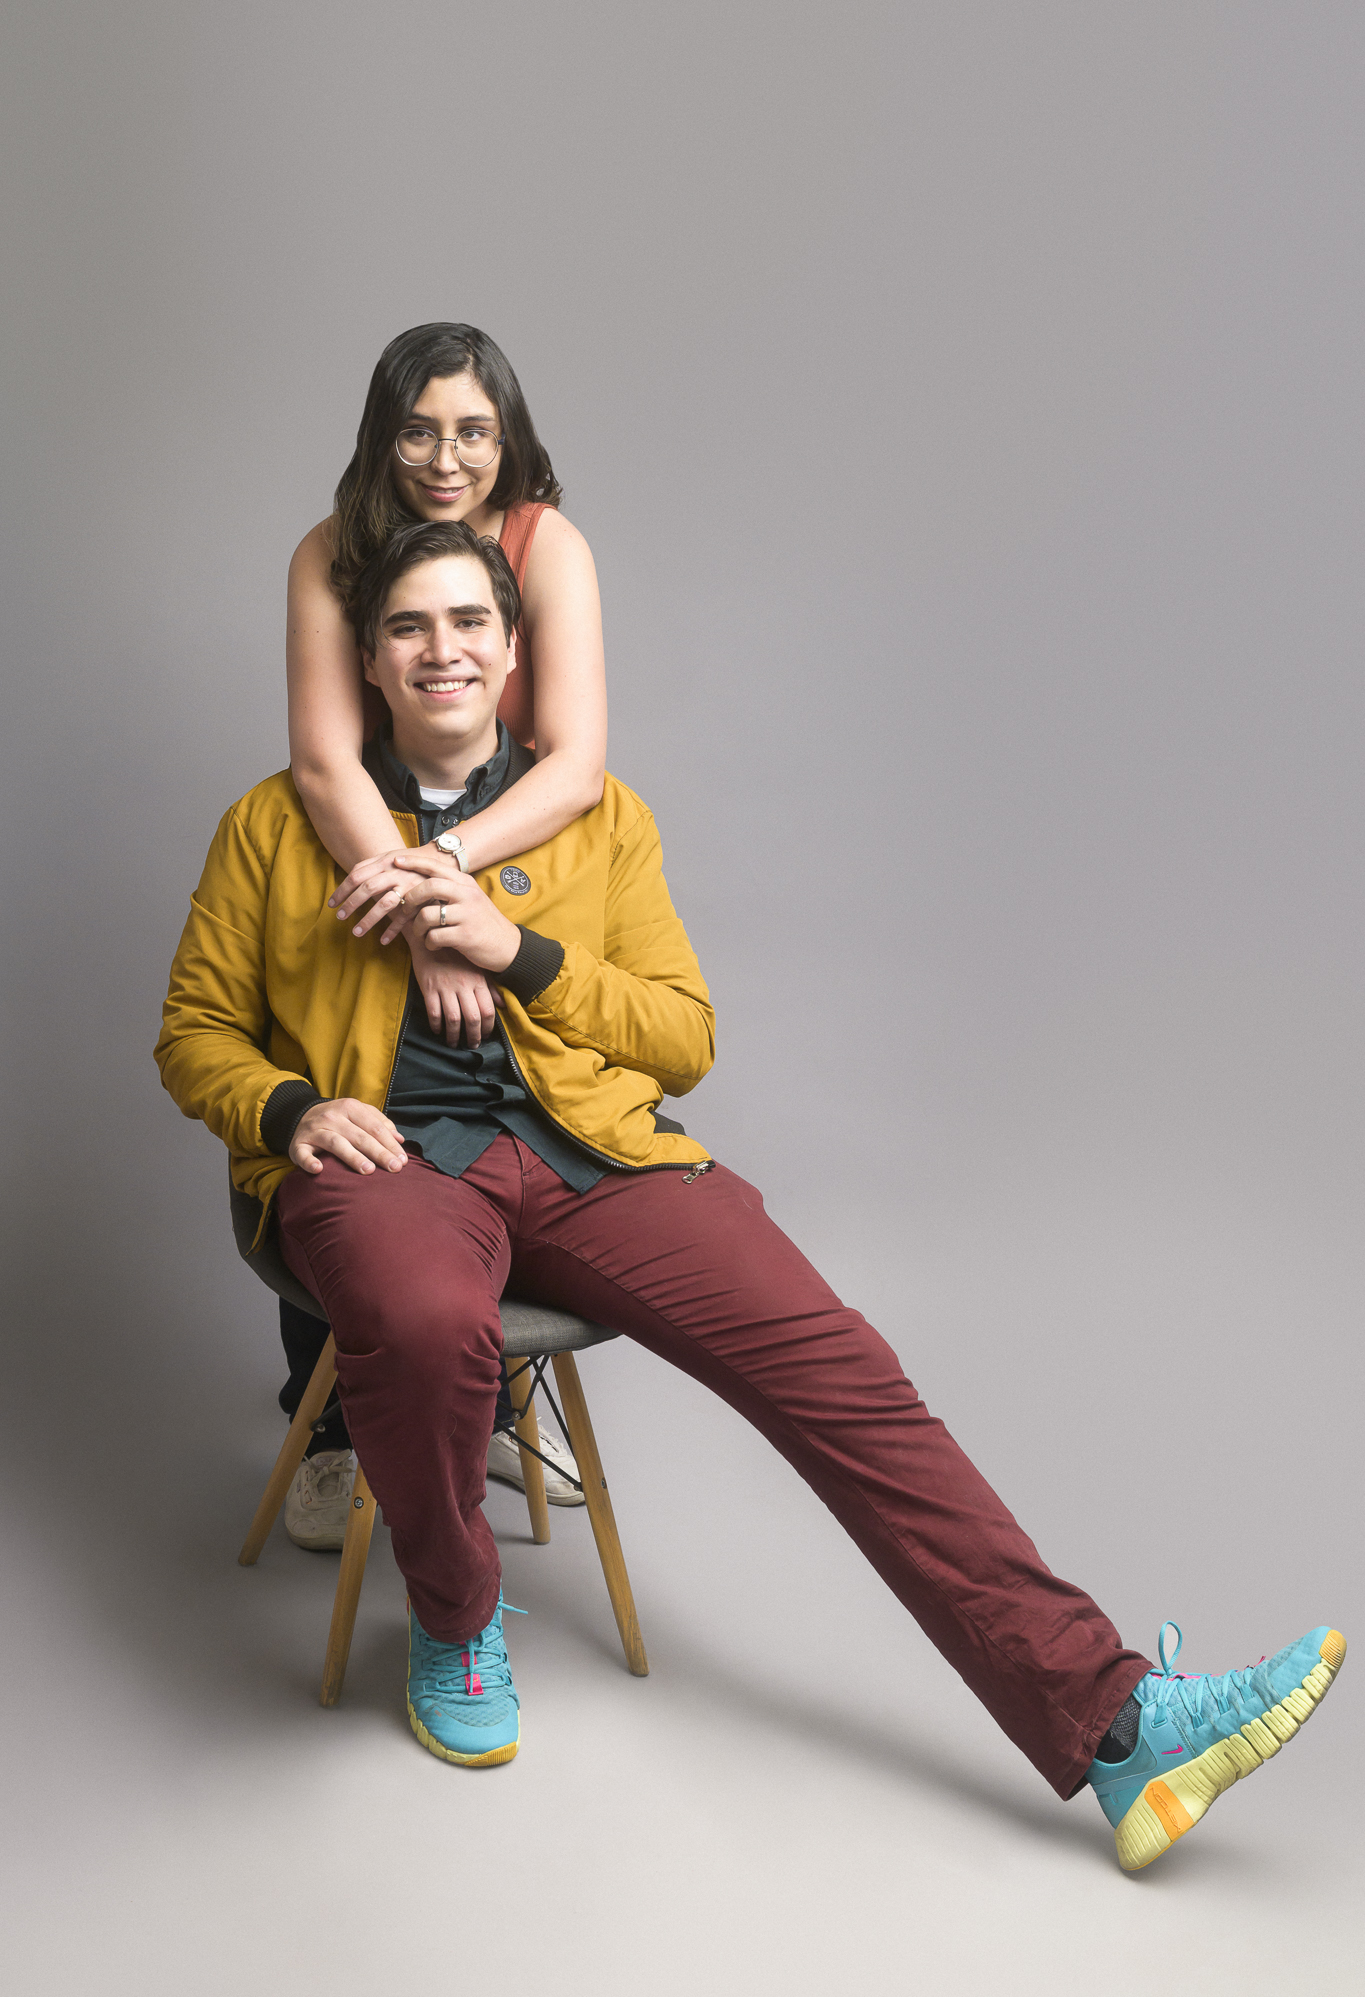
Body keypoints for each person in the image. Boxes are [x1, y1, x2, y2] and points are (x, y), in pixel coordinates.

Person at [156, 519, 1345, 1872]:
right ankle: (455, 1616)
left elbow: (683, 1038)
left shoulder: (599, 819)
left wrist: (518, 949)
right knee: (427, 1322)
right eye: (409, 627)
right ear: (368, 659)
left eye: (470, 622)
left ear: (512, 647)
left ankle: (1117, 1725)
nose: (444, 651)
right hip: (391, 1163)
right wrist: (293, 1110)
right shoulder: (273, 826)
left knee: (840, 1363)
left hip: (588, 1158)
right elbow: (193, 1032)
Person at [280, 322, 605, 1538]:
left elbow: (576, 763)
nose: (446, 457)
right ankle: (327, 1425)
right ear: (383, 435)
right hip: (361, 850)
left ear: (508, 436)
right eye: (418, 430)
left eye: (474, 429)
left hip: (504, 854)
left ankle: (498, 1404)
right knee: (353, 1109)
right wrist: (414, 911)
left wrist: (454, 880)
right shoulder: (330, 551)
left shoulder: (547, 545)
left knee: (513, 1114)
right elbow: (325, 760)